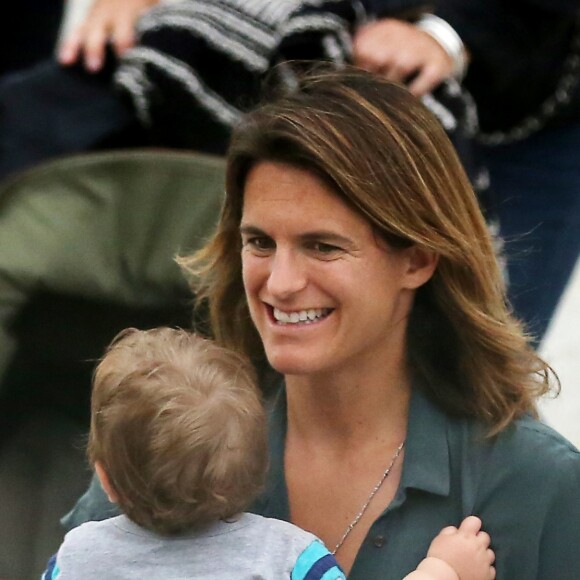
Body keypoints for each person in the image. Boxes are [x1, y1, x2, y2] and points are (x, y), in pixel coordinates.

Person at [63, 67, 580, 578]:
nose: (281, 283)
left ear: (418, 261)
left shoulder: (536, 485)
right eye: (260, 242)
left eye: (323, 246)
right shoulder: (169, 436)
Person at [44, 326, 495, 580]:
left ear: (106, 481)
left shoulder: (78, 559)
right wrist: (444, 570)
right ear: (257, 469)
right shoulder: (284, 557)